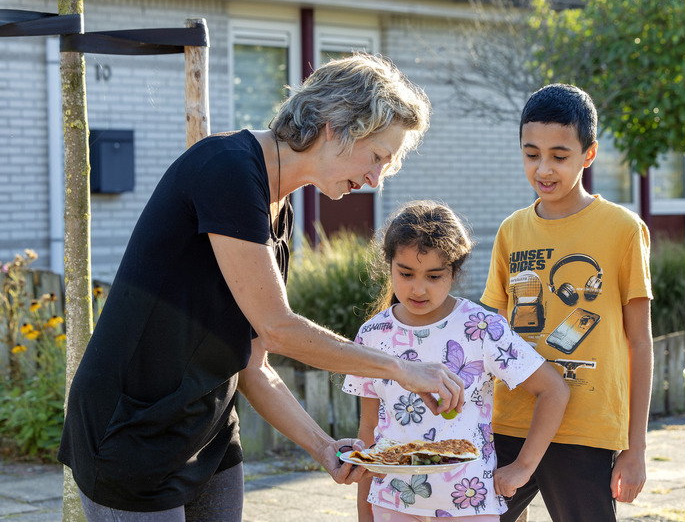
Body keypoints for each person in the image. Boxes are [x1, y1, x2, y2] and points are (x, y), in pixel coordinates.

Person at [58, 53, 467, 521]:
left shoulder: (279, 207)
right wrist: (400, 369)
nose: (376, 179)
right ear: (335, 126)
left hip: (207, 432)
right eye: (377, 157)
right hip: (131, 434)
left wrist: (323, 446)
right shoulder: (228, 169)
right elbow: (278, 328)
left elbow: (255, 364)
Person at [481, 83, 654, 522]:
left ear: (588, 154)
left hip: (585, 430)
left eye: (559, 156)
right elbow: (493, 334)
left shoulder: (623, 230)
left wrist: (635, 448)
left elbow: (640, 342)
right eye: (531, 154)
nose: (543, 168)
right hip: (511, 423)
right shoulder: (511, 231)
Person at [342, 200, 569, 521]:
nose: (418, 288)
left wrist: (523, 466)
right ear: (389, 264)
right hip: (391, 501)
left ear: (455, 272)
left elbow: (554, 390)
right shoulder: (371, 334)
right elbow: (369, 429)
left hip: (470, 502)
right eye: (406, 273)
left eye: (434, 276)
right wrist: (364, 511)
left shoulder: (481, 328)